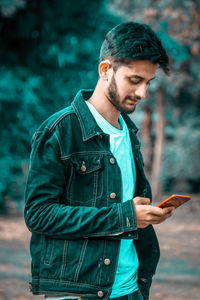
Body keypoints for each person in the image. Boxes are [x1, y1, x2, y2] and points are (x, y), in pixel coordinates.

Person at [24, 22, 174, 300]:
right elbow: (38, 214)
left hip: (131, 290)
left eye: (148, 83)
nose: (143, 93)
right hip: (80, 292)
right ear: (106, 70)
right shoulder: (59, 131)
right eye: (134, 80)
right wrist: (126, 216)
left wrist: (143, 215)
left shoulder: (129, 134)